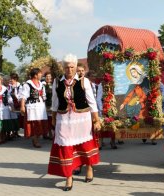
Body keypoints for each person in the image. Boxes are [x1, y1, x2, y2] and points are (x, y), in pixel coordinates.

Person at [48, 54, 101, 191]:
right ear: (63, 68)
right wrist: (53, 118)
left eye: (72, 67)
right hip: (63, 120)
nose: (69, 70)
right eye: (67, 67)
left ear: (76, 67)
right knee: (65, 146)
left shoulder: (85, 82)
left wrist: (96, 120)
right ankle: (68, 177)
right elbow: (54, 102)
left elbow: (92, 102)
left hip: (82, 119)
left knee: (84, 145)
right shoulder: (57, 82)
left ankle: (89, 167)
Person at [20, 68, 48, 148]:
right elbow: (23, 96)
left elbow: (44, 96)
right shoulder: (27, 85)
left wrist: (45, 107)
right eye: (40, 73)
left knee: (40, 123)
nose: (41, 75)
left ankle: (37, 138)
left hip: (40, 106)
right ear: (35, 75)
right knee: (34, 124)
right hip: (32, 107)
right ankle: (35, 140)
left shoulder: (41, 85)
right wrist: (22, 106)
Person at [0, 76, 13, 144]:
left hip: (5, 107)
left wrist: (12, 106)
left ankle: (3, 137)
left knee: (4, 123)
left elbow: (9, 98)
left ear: (1, 81)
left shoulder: (5, 89)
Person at [8, 73, 23, 138]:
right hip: (11, 104)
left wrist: (15, 97)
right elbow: (8, 95)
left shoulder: (20, 86)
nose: (11, 80)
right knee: (12, 118)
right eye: (10, 79)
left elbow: (21, 95)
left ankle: (16, 132)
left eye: (12, 79)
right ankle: (13, 132)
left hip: (18, 103)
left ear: (15, 79)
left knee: (18, 118)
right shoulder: (9, 86)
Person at [42, 72, 53, 140]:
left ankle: (50, 133)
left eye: (49, 76)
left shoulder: (54, 84)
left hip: (52, 103)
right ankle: (47, 133)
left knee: (51, 119)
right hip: (45, 103)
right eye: (47, 76)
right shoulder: (43, 84)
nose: (48, 78)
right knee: (46, 119)